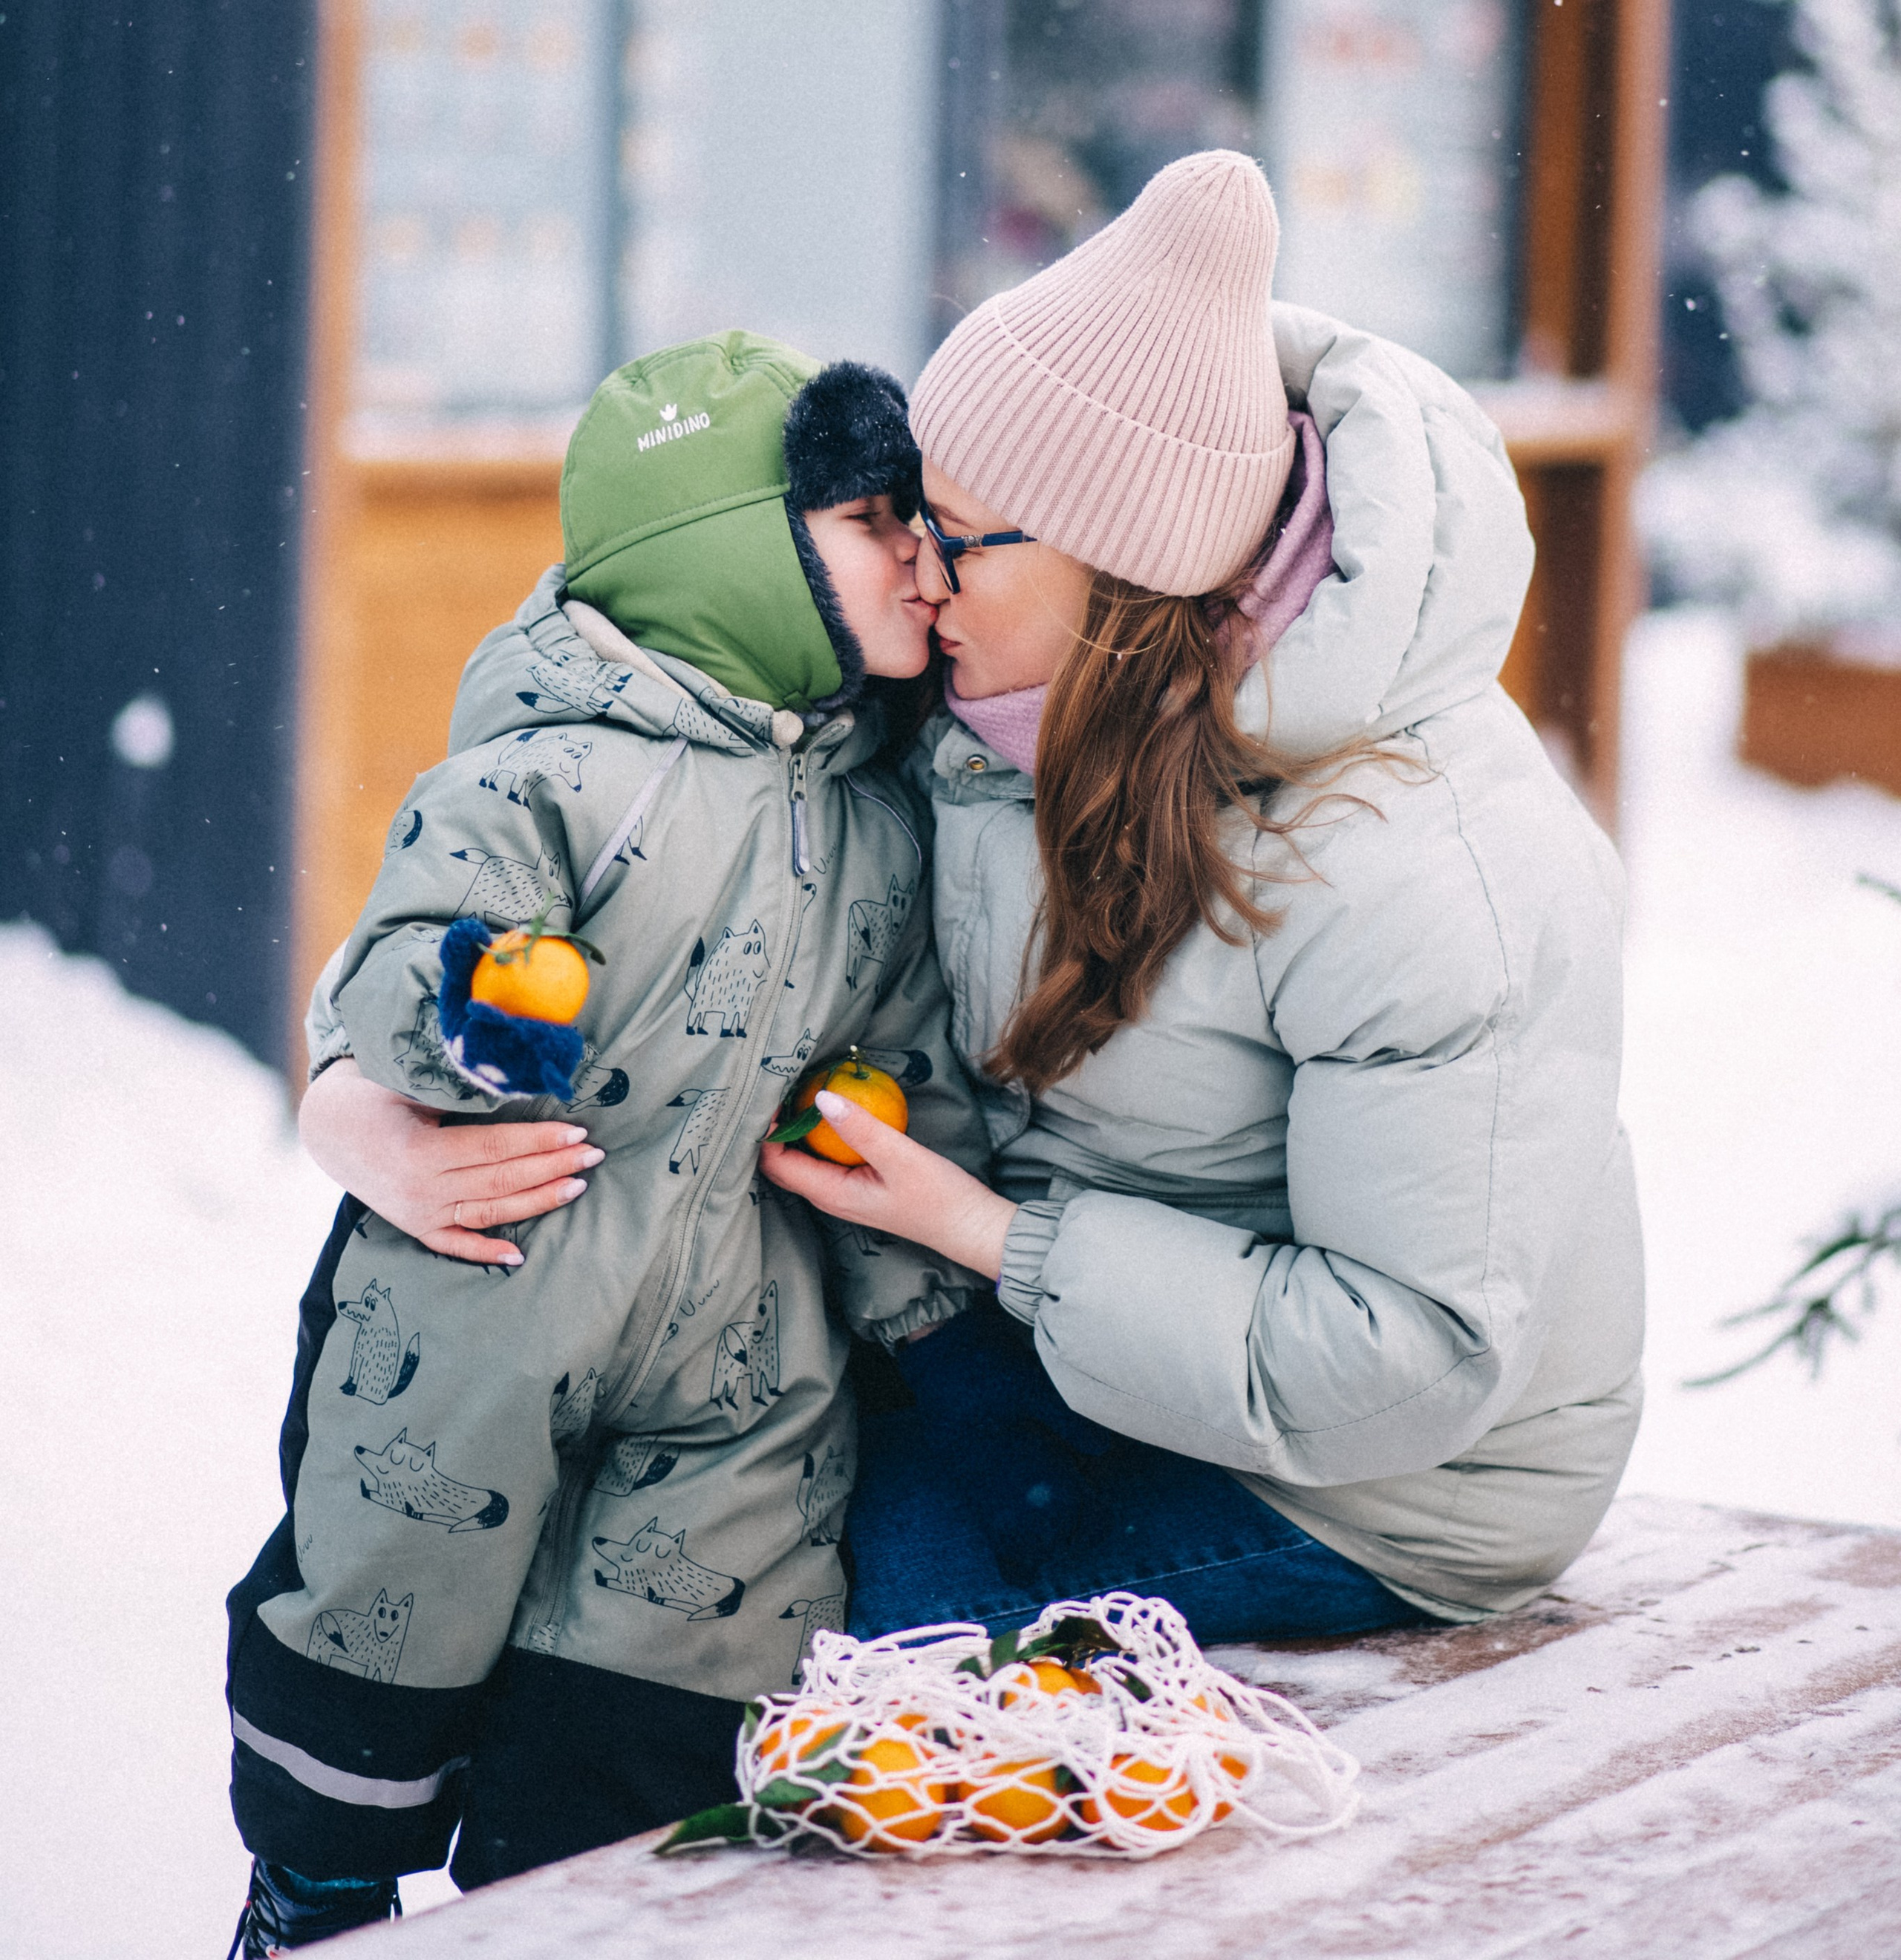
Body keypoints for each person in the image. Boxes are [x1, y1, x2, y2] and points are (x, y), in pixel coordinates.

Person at [311, 153, 1643, 1843]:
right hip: (1040, 1339)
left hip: (1378, 1478)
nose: (912, 575)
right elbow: (589, 811)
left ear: (1114, 568)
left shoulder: (1423, 871)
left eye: (953, 537)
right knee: (624, 1491)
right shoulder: (981, 694)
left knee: (804, 1649)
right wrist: (353, 1095)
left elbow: (1408, 1355)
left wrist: (989, 1237)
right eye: (899, 527)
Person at [226, 335, 991, 1954]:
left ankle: (568, 1914)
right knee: (380, 1616)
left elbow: (895, 1066)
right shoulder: (552, 769)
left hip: (744, 1352)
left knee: (655, 1721)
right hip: (482, 1309)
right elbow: (402, 958)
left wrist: (911, 1276)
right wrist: (481, 1007)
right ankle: (315, 1891)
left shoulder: (882, 807)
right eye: (874, 521)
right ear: (735, 548)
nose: (924, 560)